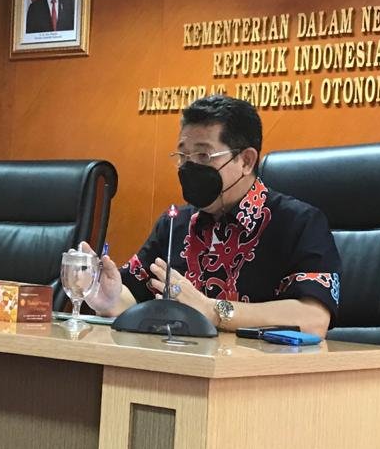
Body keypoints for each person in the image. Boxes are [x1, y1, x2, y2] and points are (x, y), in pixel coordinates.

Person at [85, 95, 341, 336]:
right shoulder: (175, 223)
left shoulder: (298, 223)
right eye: (183, 156)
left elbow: (314, 319)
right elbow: (133, 295)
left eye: (203, 155)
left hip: (257, 366)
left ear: (246, 161)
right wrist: (109, 298)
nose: (189, 167)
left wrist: (214, 310)